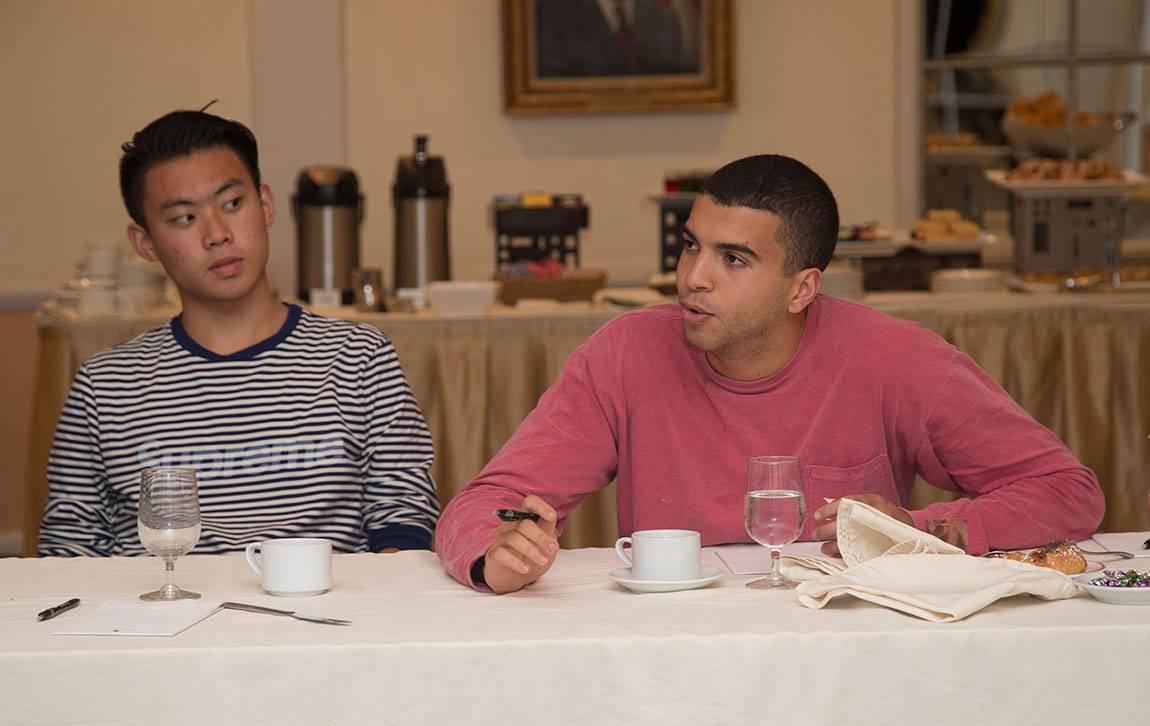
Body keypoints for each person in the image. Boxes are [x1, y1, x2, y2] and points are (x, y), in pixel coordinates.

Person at [436, 154, 1104, 594]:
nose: (692, 277)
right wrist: (496, 554)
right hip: (675, 660)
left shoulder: (896, 359)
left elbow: (1067, 491)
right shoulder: (627, 353)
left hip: (848, 664)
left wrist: (918, 530)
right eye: (691, 245)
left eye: (733, 260)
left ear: (800, 289)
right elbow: (478, 505)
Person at [39, 109, 439, 556]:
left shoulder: (358, 357)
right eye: (184, 218)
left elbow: (403, 520)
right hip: (161, 616)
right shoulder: (105, 385)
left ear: (266, 205)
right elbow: (69, 551)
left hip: (329, 614)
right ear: (145, 243)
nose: (218, 234)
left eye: (232, 204)